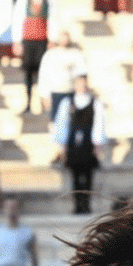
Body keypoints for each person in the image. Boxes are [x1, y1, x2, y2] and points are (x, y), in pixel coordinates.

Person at [52, 74, 106, 214]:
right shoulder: (67, 102)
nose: (82, 86)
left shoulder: (95, 102)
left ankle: (86, 205)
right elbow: (62, 123)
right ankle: (77, 204)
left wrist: (98, 143)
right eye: (79, 83)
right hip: (73, 145)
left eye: (84, 83)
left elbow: (99, 123)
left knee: (88, 176)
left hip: (88, 145)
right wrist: (61, 144)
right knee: (75, 177)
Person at [12, 0, 58, 113]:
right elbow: (18, 21)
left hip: (42, 41)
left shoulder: (48, 1)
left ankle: (43, 103)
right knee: (28, 73)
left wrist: (52, 39)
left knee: (42, 73)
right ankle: (28, 102)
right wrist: (17, 41)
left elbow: (53, 20)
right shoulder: (23, 2)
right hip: (28, 41)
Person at [36, 31, 87, 122]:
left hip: (71, 92)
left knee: (72, 120)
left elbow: (81, 74)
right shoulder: (50, 55)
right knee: (56, 121)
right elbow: (44, 75)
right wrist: (45, 95)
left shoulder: (75, 53)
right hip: (56, 93)